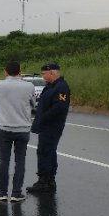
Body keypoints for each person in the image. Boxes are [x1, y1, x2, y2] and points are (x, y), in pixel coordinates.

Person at [0, 61, 36, 202]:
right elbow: (33, 104)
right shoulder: (29, 86)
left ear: (6, 72)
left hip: (5, 128)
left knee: (4, 160)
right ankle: (17, 193)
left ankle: (2, 192)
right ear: (20, 72)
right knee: (20, 161)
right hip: (23, 128)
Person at [27, 62, 71, 194]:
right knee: (49, 152)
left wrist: (44, 117)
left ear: (52, 73)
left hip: (52, 126)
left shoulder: (61, 87)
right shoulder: (52, 86)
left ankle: (44, 181)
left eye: (44, 74)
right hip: (47, 125)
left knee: (44, 152)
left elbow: (59, 107)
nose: (43, 76)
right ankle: (49, 179)